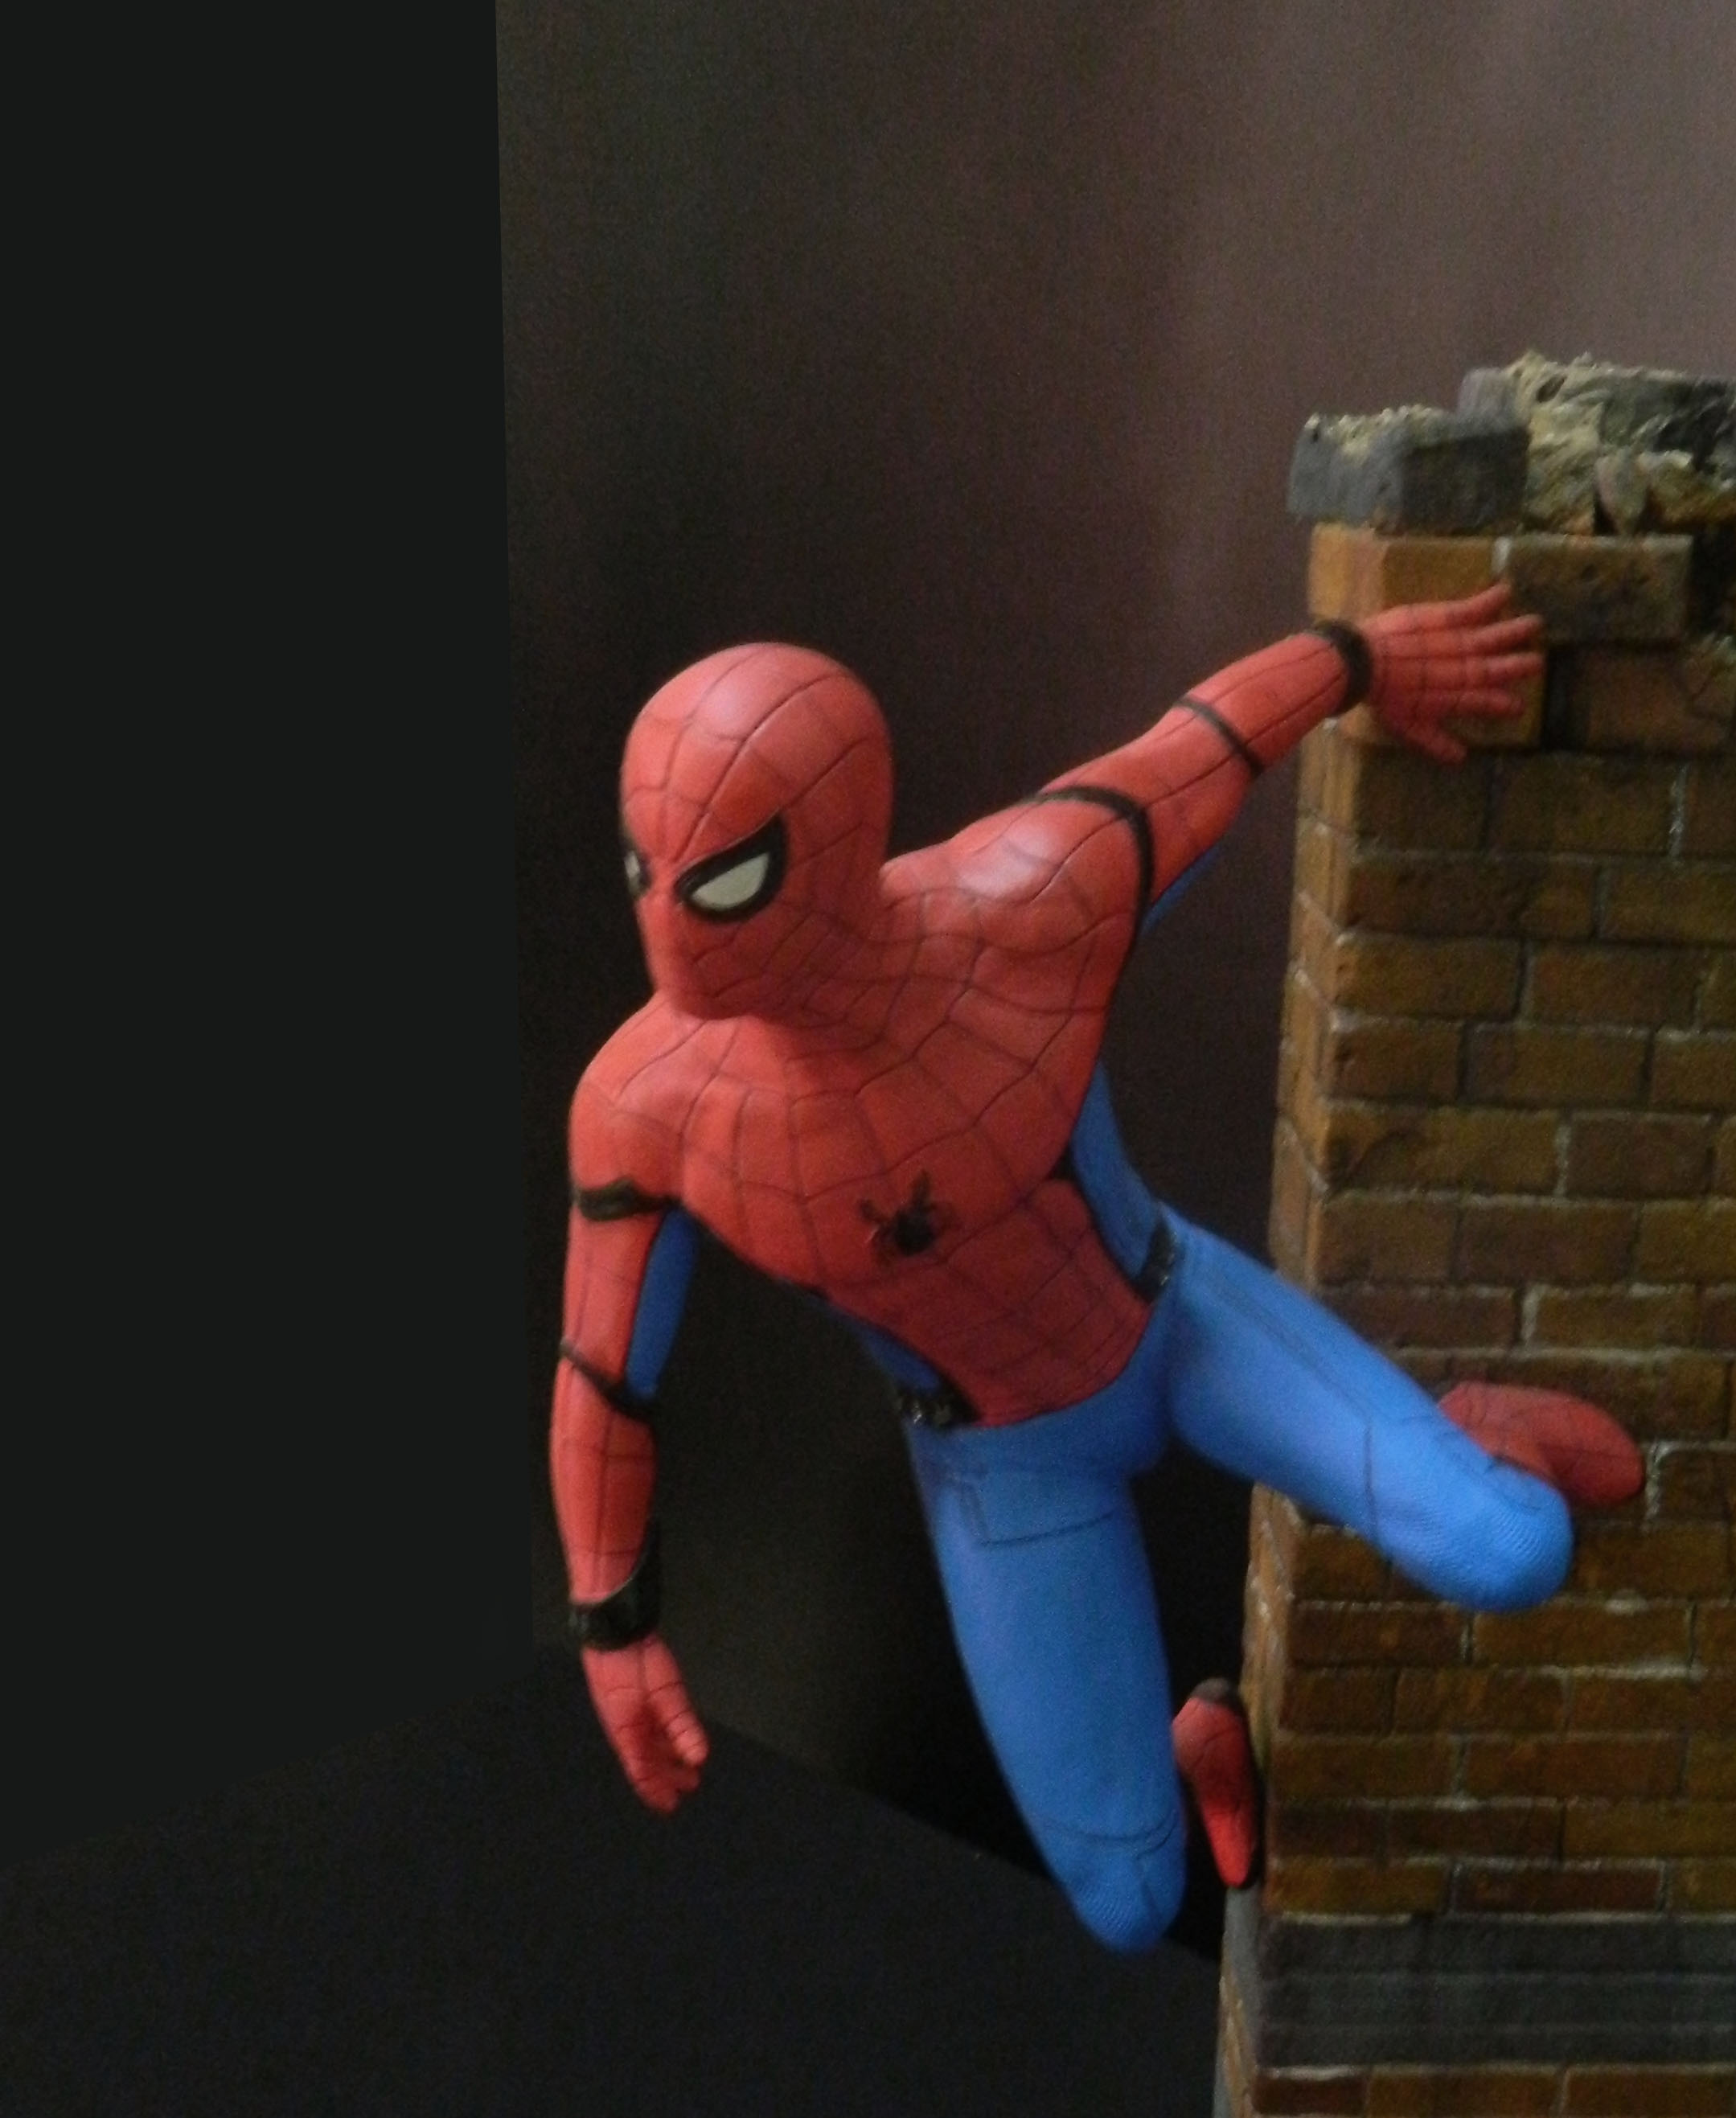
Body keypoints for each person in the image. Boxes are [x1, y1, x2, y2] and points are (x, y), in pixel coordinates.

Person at [551, 585, 1640, 1949]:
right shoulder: (643, 1110)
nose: (670, 928)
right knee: (1130, 1905)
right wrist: (613, 1627)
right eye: (643, 869)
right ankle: (1206, 1739)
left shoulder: (1025, 900)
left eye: (722, 882)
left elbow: (1199, 745)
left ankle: (1458, 1430)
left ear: (835, 839)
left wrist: (1361, 657)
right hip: (1003, 1459)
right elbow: (602, 1375)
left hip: (1179, 1322)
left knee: (1513, 1549)